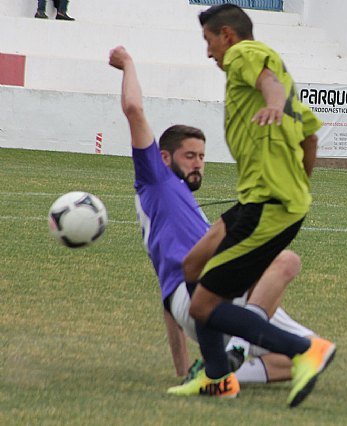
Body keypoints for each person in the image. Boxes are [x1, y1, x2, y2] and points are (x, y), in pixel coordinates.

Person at [108, 45, 316, 385]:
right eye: (189, 156)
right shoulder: (155, 181)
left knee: (313, 353)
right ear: (163, 158)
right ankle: (237, 347)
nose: (198, 163)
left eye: (202, 157)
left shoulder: (185, 214)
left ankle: (220, 369)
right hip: (209, 297)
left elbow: (166, 298)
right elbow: (133, 109)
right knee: (285, 262)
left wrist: (180, 369)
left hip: (214, 299)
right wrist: (128, 63)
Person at [169, 4, 335, 408]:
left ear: (227, 35)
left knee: (204, 305)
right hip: (262, 199)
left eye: (209, 41)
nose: (209, 52)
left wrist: (273, 102)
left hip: (269, 205)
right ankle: (217, 377)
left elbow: (266, 82)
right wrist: (299, 184)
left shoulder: (246, 54)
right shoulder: (282, 76)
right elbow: (310, 138)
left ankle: (303, 350)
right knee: (192, 266)